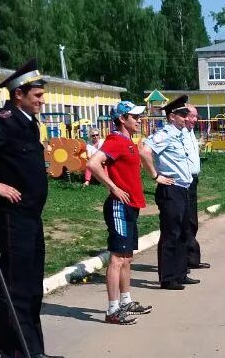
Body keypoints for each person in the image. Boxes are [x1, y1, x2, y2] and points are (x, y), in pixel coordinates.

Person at [0, 59, 65, 358]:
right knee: (15, 287)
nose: (42, 101)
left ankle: (34, 350)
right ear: (18, 94)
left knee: (32, 288)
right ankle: (16, 353)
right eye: (37, 96)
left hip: (31, 216)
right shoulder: (2, 121)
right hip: (10, 217)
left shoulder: (29, 124)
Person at [87, 101, 151, 325]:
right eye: (134, 116)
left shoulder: (129, 142)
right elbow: (93, 163)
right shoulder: (115, 141)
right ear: (122, 119)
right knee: (117, 257)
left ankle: (126, 301)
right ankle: (112, 310)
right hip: (119, 206)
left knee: (127, 256)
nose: (139, 120)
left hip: (131, 205)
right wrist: (113, 187)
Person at [140, 95, 200, 290]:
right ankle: (168, 277)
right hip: (170, 189)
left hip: (183, 188)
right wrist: (155, 175)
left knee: (183, 232)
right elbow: (144, 151)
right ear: (172, 116)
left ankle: (181, 272)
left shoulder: (180, 134)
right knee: (171, 233)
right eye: (182, 115)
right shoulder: (164, 134)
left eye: (186, 114)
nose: (185, 118)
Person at [181, 103, 210, 270]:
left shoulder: (190, 132)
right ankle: (186, 259)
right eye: (192, 116)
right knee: (185, 220)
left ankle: (192, 258)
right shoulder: (180, 134)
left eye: (196, 116)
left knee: (192, 220)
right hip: (183, 181)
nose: (195, 119)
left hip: (193, 180)